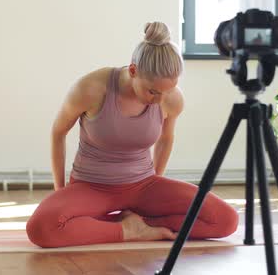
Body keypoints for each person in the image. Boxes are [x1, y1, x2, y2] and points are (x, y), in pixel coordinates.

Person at [26, 22, 239, 247]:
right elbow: (58, 132)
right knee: (42, 228)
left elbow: (166, 140)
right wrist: (60, 192)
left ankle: (138, 224)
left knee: (225, 221)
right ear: (133, 70)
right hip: (90, 186)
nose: (160, 99)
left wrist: (155, 182)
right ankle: (127, 230)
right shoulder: (91, 88)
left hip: (143, 186)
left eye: (167, 90)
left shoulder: (172, 99)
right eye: (153, 91)